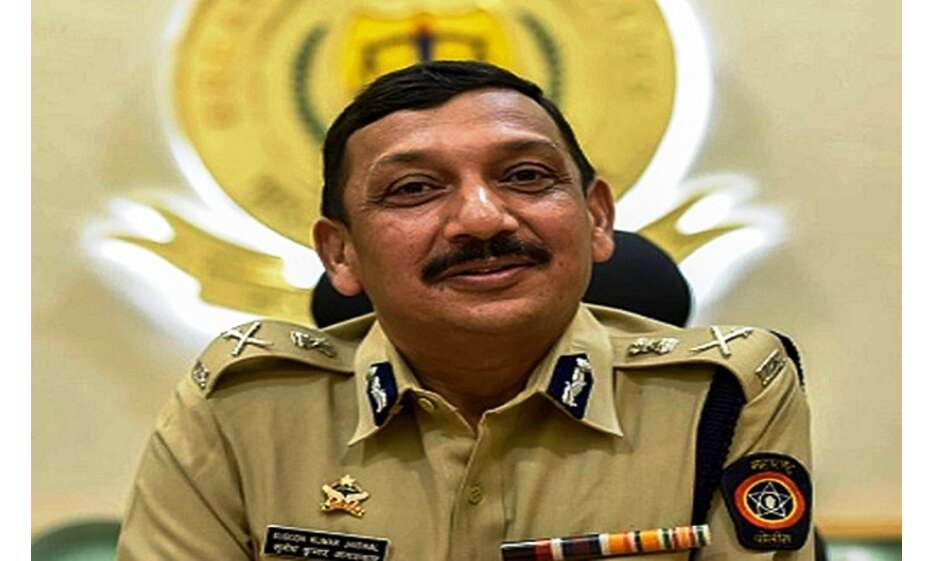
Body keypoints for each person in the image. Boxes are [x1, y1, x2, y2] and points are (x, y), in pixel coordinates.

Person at [116, 61, 813, 561]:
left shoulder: (723, 396)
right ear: (341, 253)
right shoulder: (242, 405)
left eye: (526, 176)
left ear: (597, 218)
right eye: (415, 188)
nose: (481, 218)